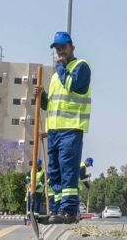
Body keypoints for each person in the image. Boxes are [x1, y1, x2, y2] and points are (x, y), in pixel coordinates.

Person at [35, 32, 91, 224]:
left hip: (71, 129)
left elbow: (73, 86)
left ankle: (69, 211)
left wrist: (60, 67)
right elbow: (50, 105)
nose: (60, 52)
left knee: (68, 171)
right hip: (53, 132)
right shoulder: (55, 77)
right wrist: (42, 96)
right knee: (55, 172)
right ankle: (57, 209)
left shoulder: (81, 67)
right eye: (57, 49)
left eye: (63, 48)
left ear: (71, 48)